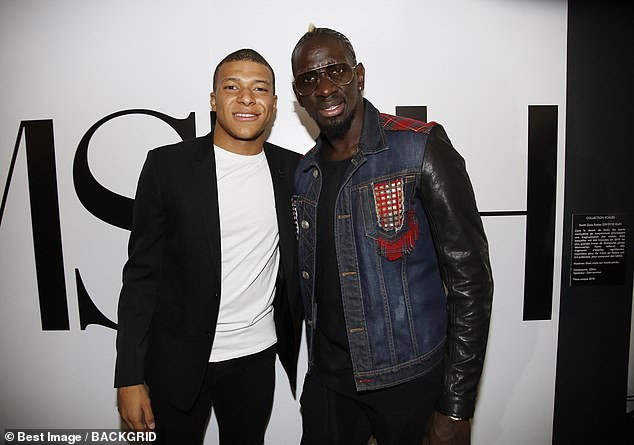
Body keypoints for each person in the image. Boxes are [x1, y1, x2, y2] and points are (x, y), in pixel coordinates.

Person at [290, 26, 493, 445]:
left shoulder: (419, 147)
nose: (325, 86)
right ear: (299, 94)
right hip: (329, 381)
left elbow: (470, 282)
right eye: (310, 79)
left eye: (336, 71)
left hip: (409, 380)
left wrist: (455, 404)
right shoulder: (304, 174)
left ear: (359, 76)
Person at [114, 48, 302, 445]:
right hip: (175, 360)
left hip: (255, 357)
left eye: (260, 89)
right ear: (214, 100)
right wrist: (129, 376)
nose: (247, 98)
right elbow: (141, 278)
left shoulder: (295, 170)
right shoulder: (168, 167)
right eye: (232, 87)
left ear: (273, 104)